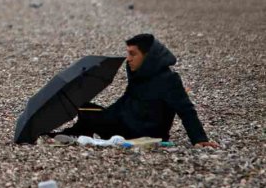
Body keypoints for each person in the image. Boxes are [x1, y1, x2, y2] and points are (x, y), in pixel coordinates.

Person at [55, 34, 217, 147]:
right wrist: (104, 115)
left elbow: (186, 110)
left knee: (90, 114)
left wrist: (199, 138)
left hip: (145, 132)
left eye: (133, 54)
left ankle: (73, 135)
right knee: (87, 108)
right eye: (128, 54)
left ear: (148, 56)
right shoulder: (138, 75)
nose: (129, 59)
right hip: (126, 123)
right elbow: (125, 101)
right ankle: (71, 135)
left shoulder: (169, 79)